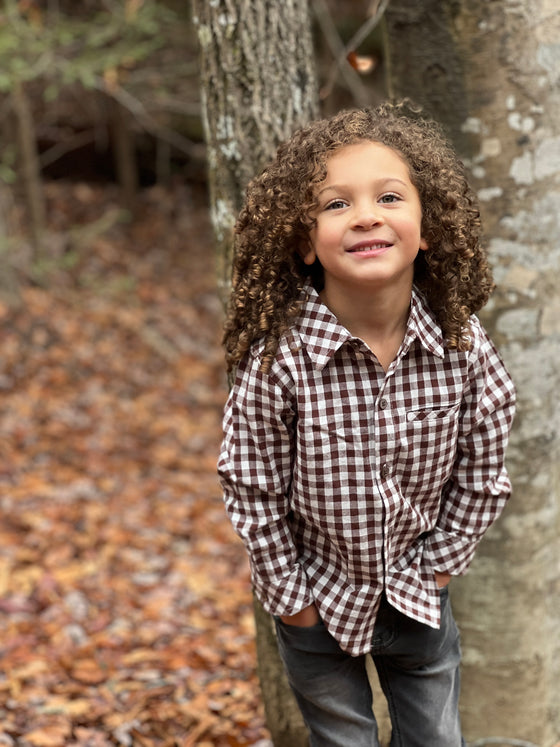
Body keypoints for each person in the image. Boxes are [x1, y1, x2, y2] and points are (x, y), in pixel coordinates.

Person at [218, 103, 516, 747]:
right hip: (316, 603)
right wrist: (292, 601)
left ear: (426, 226)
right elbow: (251, 483)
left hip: (418, 596)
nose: (366, 216)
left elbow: (483, 470)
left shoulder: (461, 346)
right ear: (304, 241)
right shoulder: (281, 357)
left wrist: (437, 571)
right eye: (335, 204)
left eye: (388, 196)